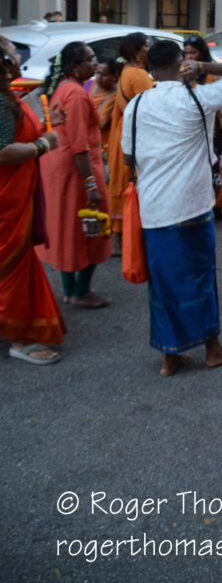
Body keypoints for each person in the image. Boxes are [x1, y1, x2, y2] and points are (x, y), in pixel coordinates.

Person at [121, 41, 222, 378]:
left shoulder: (135, 105)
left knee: (163, 284)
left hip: (153, 208)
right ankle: (213, 351)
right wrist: (205, 68)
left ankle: (170, 356)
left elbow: (127, 157)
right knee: (199, 279)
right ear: (181, 64)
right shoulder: (198, 96)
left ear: (150, 67)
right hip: (191, 207)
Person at [0, 37, 66, 364]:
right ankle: (21, 336)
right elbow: (3, 152)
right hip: (7, 202)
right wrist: (45, 144)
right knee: (13, 266)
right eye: (14, 55)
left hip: (16, 194)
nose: (19, 60)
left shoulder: (8, 96)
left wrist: (50, 125)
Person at [35, 42, 111, 307]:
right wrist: (90, 184)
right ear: (74, 67)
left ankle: (70, 291)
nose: (95, 63)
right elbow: (80, 144)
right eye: (89, 59)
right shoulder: (76, 94)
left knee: (68, 228)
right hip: (78, 170)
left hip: (60, 169)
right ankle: (80, 292)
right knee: (93, 226)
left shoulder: (63, 88)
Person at [107, 33, 153, 257]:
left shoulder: (127, 71)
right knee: (129, 184)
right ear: (136, 51)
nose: (149, 48)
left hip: (123, 133)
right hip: (134, 135)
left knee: (122, 182)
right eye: (146, 45)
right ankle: (120, 240)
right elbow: (150, 110)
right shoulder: (138, 74)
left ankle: (118, 239)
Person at [183, 34, 222, 222]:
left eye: (193, 53)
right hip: (190, 132)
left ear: (201, 53)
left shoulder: (212, 75)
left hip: (213, 132)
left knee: (212, 172)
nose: (189, 57)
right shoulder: (182, 74)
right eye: (186, 53)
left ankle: (213, 208)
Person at [85, 58, 120, 153]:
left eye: (104, 75)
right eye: (97, 73)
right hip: (84, 140)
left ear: (114, 76)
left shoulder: (118, 95)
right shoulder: (88, 85)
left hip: (106, 143)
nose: (99, 77)